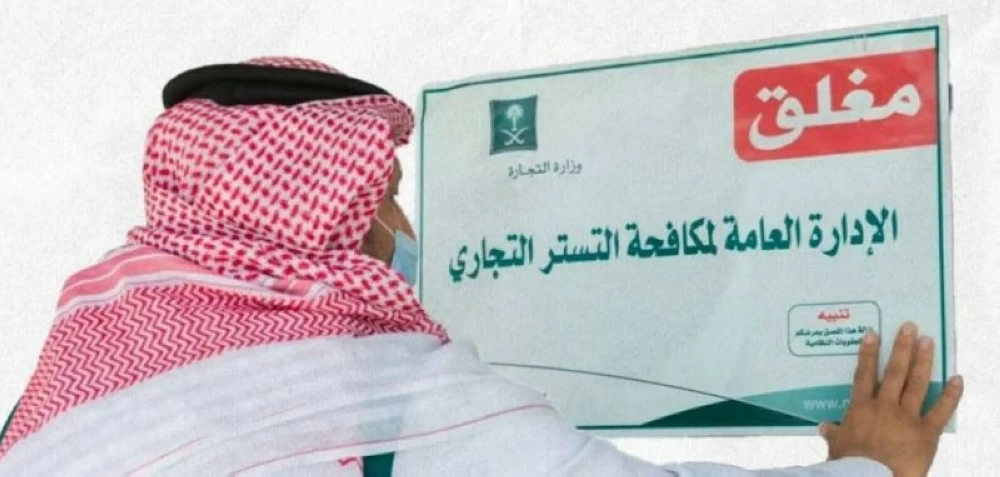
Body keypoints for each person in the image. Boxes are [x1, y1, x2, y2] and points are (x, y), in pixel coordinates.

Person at [0, 57, 962, 476]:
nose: (402, 221)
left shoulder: (70, 362)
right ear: (338, 202)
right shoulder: (372, 388)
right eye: (386, 190)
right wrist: (874, 466)